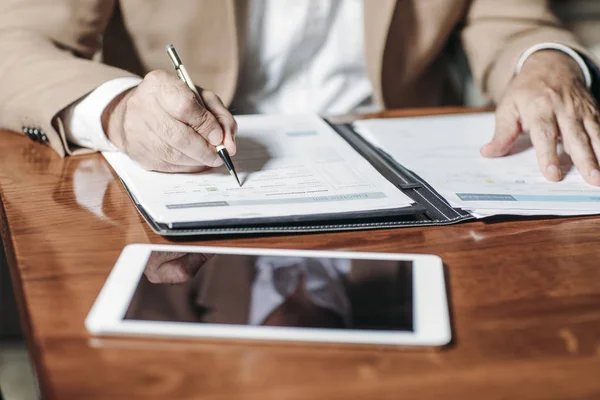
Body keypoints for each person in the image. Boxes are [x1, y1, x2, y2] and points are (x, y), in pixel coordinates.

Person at [0, 1, 599, 184]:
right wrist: (122, 109)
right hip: (200, 181)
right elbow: (13, 43)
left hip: (414, 188)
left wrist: (544, 63)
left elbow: (510, 18)